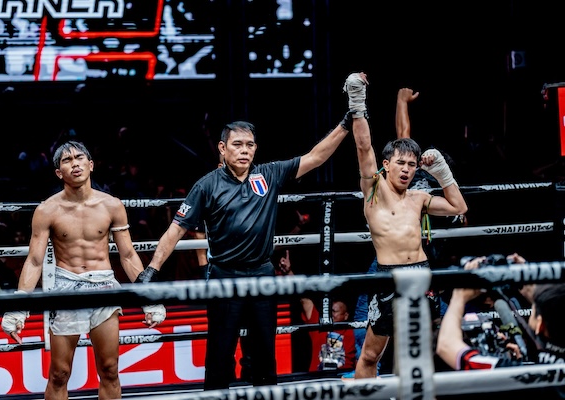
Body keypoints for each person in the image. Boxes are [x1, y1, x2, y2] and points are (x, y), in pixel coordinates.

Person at [142, 116, 351, 389]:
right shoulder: (206, 185)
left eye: (249, 145)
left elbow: (315, 157)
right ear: (222, 148)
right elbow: (176, 230)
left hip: (262, 275)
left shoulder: (268, 174)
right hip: (224, 276)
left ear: (255, 148)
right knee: (220, 355)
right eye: (237, 144)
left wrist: (346, 124)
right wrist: (151, 270)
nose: (244, 150)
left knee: (263, 355)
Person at [0, 141, 166, 400]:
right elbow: (34, 261)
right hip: (66, 288)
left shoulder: (112, 205)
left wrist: (149, 298)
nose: (75, 163)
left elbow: (127, 255)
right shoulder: (47, 210)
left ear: (91, 164)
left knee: (110, 369)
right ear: (59, 172)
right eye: (67, 160)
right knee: (59, 373)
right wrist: (18, 307)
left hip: (104, 286)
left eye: (79, 158)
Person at [344, 72, 468, 379]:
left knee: (420, 352)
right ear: (386, 165)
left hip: (421, 275)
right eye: (400, 163)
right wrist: (357, 102)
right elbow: (363, 147)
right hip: (388, 276)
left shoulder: (419, 197)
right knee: (371, 354)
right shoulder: (373, 192)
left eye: (412, 165)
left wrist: (442, 172)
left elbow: (459, 207)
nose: (406, 169)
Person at [436, 254, 565, 398]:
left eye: (534, 307)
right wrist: (527, 276)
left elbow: (447, 345)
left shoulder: (524, 376)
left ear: (540, 325)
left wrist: (459, 297)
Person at [300, 295, 356, 372]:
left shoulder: (353, 331)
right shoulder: (319, 325)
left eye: (334, 311)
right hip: (318, 376)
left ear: (346, 316)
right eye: (330, 311)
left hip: (342, 376)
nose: (331, 314)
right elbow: (305, 301)